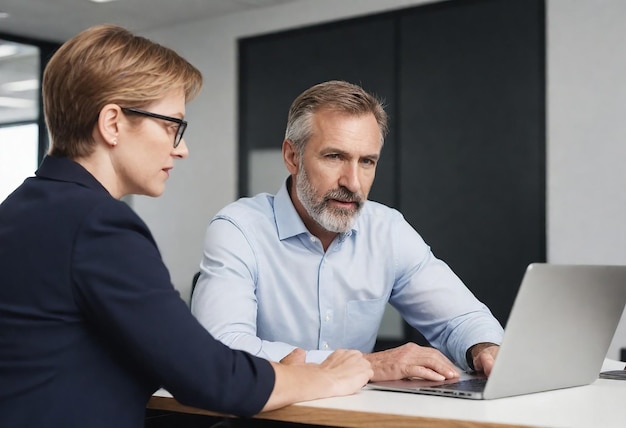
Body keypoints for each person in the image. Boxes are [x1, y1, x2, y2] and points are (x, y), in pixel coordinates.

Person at [0, 28, 373, 428]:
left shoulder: (20, 209)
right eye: (171, 125)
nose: (181, 148)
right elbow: (210, 378)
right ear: (112, 123)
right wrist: (323, 376)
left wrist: (273, 375)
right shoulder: (99, 224)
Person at [191, 80, 504, 383]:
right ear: (292, 157)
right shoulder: (239, 229)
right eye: (334, 156)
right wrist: (364, 365)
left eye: (366, 161)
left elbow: (461, 318)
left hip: (352, 416)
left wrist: (485, 348)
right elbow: (223, 346)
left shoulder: (387, 230)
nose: (352, 183)